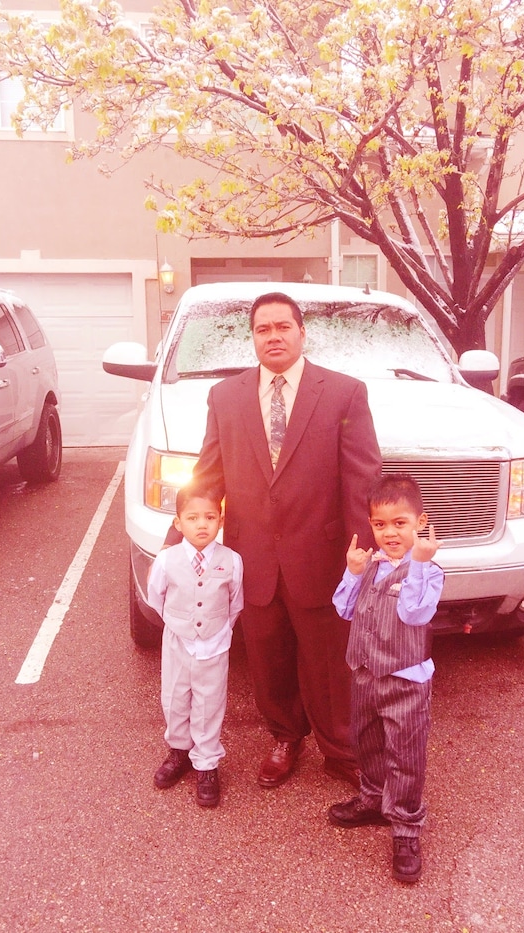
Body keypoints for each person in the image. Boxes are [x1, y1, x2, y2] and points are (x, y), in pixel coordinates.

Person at [166, 291, 381, 789]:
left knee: (328, 662)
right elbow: (209, 474)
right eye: (263, 329)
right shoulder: (226, 396)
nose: (274, 336)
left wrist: (362, 555)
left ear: (302, 333)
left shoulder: (344, 393)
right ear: (253, 338)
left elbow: (361, 479)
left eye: (283, 327)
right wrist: (177, 542)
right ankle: (285, 736)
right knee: (268, 657)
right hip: (253, 556)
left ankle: (340, 747)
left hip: (321, 554)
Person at [327, 473, 444, 884]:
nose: (390, 533)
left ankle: (407, 828)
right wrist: (354, 572)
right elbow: (343, 609)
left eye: (400, 523)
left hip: (405, 682)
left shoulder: (429, 570)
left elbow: (414, 614)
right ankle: (374, 800)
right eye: (380, 524)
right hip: (365, 675)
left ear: (420, 522)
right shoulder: (371, 565)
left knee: (406, 756)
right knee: (368, 742)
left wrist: (421, 564)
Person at [148, 484, 243, 808]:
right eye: (192, 518)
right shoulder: (166, 560)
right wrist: (179, 625)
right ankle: (179, 752)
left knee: (209, 704)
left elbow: (235, 604)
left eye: (210, 517)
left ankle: (206, 763)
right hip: (178, 643)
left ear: (220, 520)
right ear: (178, 524)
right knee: (175, 698)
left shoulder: (232, 561)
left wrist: (216, 631)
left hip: (214, 646)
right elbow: (156, 597)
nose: (202, 524)